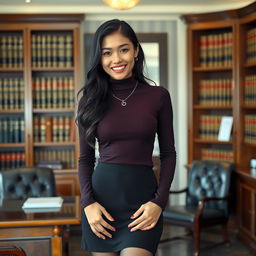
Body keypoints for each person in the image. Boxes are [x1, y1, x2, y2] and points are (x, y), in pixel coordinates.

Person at [76, 19, 176, 256]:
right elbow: (85, 159)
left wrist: (158, 203)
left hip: (143, 206)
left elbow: (169, 154)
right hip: (102, 206)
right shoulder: (89, 100)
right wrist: (88, 204)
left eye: (123, 49)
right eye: (107, 53)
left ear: (136, 51)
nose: (116, 59)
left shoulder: (158, 96)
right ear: (99, 58)